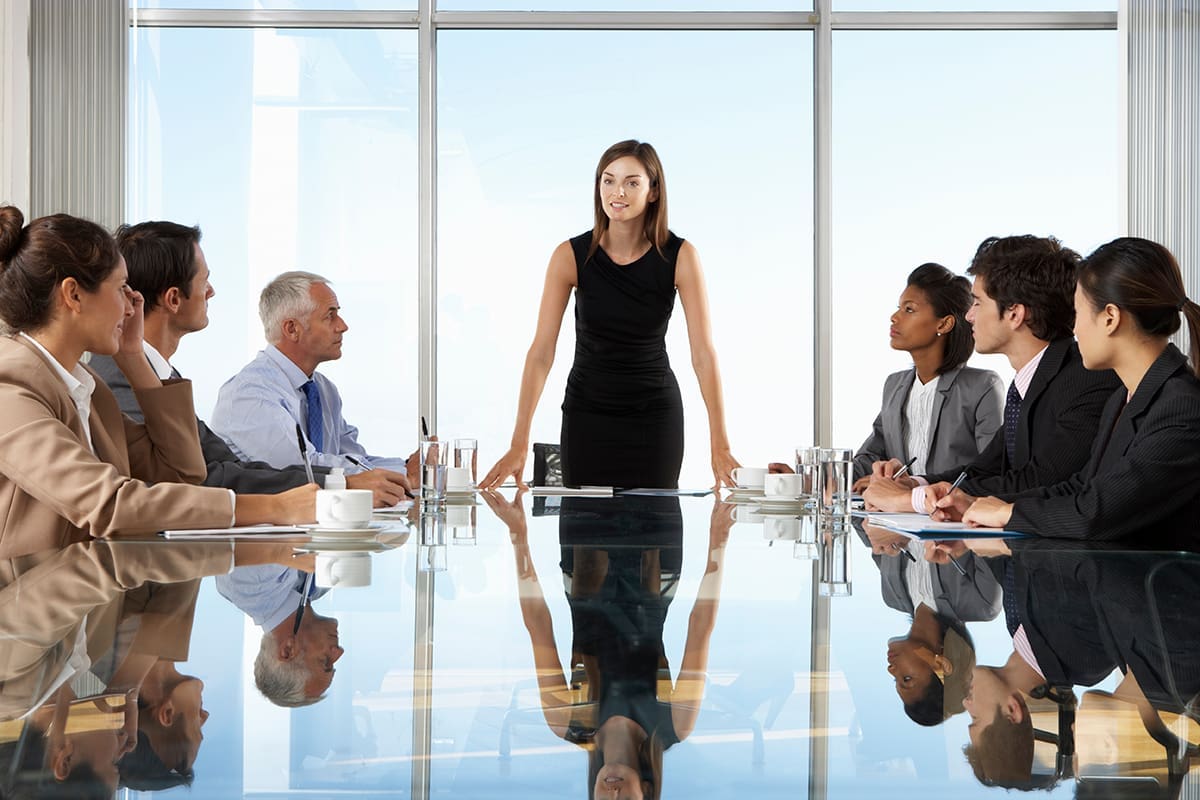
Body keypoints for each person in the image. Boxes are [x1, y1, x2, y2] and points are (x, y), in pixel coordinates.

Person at [0, 207, 314, 559]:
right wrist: (274, 508)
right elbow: (107, 504)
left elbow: (181, 475)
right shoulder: (9, 389)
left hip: (84, 602)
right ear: (73, 295)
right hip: (24, 605)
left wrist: (134, 359)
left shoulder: (86, 388)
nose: (132, 308)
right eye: (121, 289)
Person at [89, 221, 411, 506]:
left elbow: (229, 467)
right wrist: (339, 487)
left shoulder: (162, 375)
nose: (212, 292)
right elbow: (199, 480)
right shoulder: (119, 377)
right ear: (174, 299)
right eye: (204, 282)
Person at [480, 140, 740, 490]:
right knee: (585, 535)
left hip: (655, 418)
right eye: (608, 180)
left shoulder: (681, 256)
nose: (618, 191)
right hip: (587, 415)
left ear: (653, 191)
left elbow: (704, 356)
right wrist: (518, 443)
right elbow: (541, 353)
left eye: (632, 182)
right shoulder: (569, 256)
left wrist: (720, 446)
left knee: (654, 534)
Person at [481, 490, 729, 800]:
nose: (612, 793)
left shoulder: (566, 721)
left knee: (588, 453)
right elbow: (700, 628)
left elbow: (538, 625)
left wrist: (518, 535)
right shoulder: (675, 725)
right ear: (647, 791)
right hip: (655, 546)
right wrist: (718, 540)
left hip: (585, 546)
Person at [958, 237, 1200, 538]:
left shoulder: (1183, 406)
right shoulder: (1121, 399)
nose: (1074, 329)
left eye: (1079, 313)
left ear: (1110, 318)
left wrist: (1007, 512)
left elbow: (1095, 513)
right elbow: (1080, 488)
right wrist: (979, 503)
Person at [863, 235, 1120, 516]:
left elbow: (1042, 480)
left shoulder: (1087, 378)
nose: (969, 316)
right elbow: (984, 469)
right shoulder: (1028, 381)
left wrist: (914, 499)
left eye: (977, 303)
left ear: (1015, 314)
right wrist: (914, 482)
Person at [211, 271, 416, 482]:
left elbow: (356, 460)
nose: (343, 326)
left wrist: (409, 467)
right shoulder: (249, 394)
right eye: (330, 316)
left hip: (320, 512)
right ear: (292, 329)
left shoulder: (323, 389)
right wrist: (405, 474)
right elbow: (306, 470)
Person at [849, 263, 1003, 486]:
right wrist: (804, 478)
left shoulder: (982, 386)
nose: (894, 317)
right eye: (899, 308)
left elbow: (991, 471)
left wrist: (915, 486)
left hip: (953, 516)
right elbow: (870, 457)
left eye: (909, 309)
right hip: (898, 517)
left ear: (944, 323)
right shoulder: (895, 385)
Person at [215, 564, 344, 706]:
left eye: (325, 661)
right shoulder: (320, 587)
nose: (339, 652)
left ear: (287, 650)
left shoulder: (247, 586)